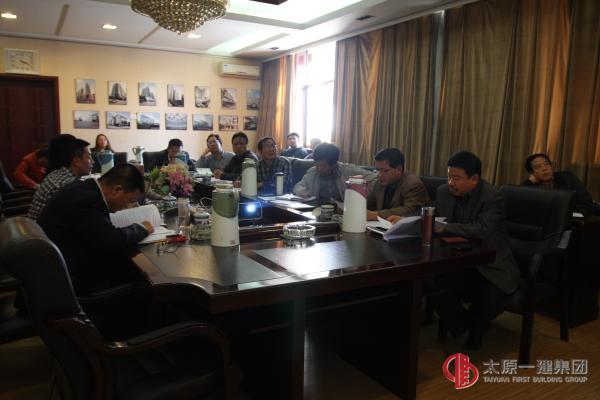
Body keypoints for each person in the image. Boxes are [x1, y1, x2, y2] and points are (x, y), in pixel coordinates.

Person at [430, 150, 519, 349]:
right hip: (455, 259)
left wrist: (445, 228)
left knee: (485, 294)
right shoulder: (443, 192)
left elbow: (482, 229)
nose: (450, 182)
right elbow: (433, 217)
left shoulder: (492, 196)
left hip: (490, 265)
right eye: (449, 176)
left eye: (456, 178)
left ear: (474, 179)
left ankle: (473, 328)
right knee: (432, 283)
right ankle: (468, 326)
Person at [37, 164, 152, 296]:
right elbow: (112, 240)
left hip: (60, 267)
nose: (128, 205)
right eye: (130, 200)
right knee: (144, 278)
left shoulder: (84, 188)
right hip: (70, 282)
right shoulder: (88, 200)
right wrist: (142, 228)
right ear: (117, 190)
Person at [27, 138, 94, 220]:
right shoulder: (67, 186)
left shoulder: (57, 173)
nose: (93, 162)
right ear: (76, 161)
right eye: (89, 157)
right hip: (42, 228)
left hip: (33, 225)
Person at [293, 143, 376, 203]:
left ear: (334, 164)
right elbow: (298, 186)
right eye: (316, 164)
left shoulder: (348, 170)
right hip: (318, 209)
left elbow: (375, 178)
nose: (319, 169)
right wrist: (304, 193)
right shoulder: (312, 171)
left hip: (342, 211)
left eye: (323, 166)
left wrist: (365, 188)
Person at [522, 153, 597, 217]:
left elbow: (585, 201)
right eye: (538, 167)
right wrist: (529, 181)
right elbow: (519, 202)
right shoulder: (531, 186)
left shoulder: (567, 177)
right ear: (532, 173)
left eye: (546, 164)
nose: (544, 168)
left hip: (576, 217)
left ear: (551, 166)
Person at [366, 148, 430, 220]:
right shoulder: (379, 183)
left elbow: (411, 210)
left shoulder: (413, 184)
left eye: (385, 171)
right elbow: (368, 204)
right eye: (377, 170)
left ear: (399, 169)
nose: (379, 175)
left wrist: (376, 215)